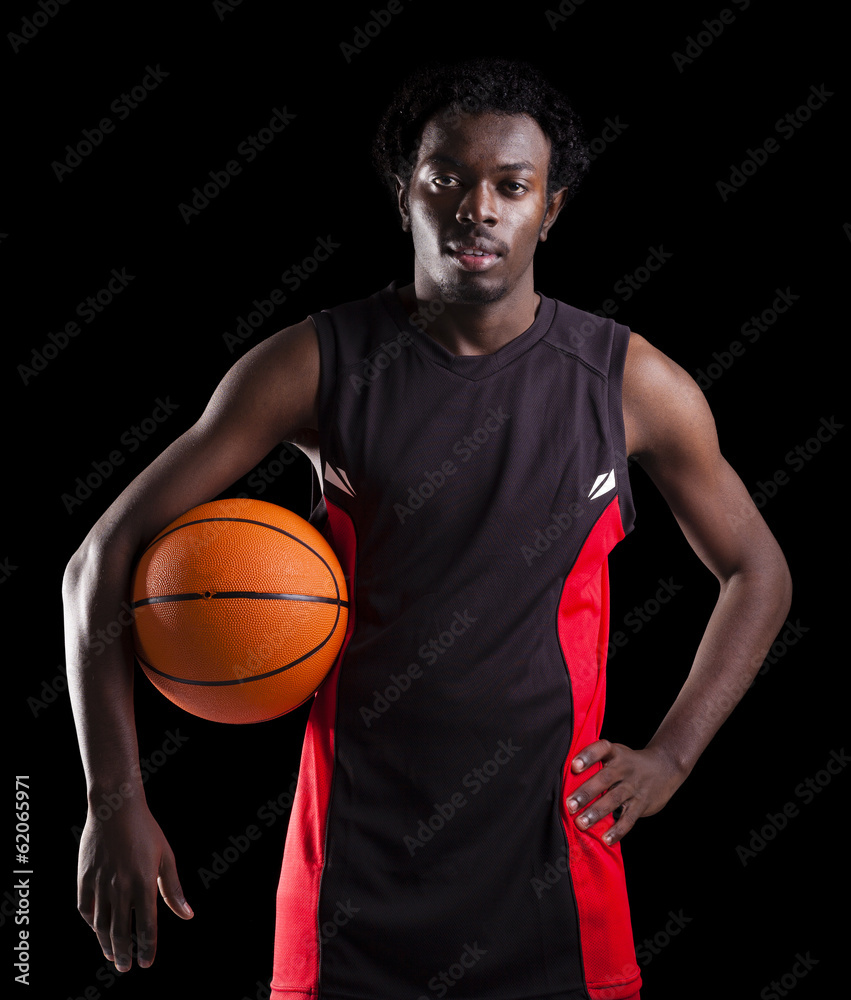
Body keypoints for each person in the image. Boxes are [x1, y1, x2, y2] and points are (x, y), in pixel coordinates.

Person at [64, 58, 791, 1000]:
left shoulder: (627, 383)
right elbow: (100, 561)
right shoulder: (312, 366)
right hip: (350, 888)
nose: (476, 207)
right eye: (447, 177)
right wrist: (112, 799)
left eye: (511, 186)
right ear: (404, 191)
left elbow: (757, 570)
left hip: (556, 880)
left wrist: (672, 757)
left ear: (551, 210)